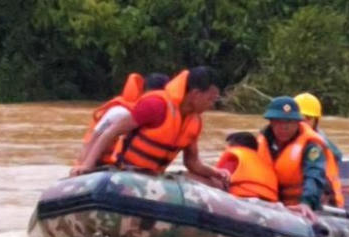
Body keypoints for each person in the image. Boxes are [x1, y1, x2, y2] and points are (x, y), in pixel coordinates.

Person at [71, 67, 229, 190]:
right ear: (196, 94)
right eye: (210, 99)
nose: (211, 105)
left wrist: (216, 173)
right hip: (126, 173)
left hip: (155, 177)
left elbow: (192, 162)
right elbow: (111, 132)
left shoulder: (194, 121)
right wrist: (87, 165)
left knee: (215, 184)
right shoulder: (156, 105)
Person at [257, 96, 344, 221]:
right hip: (277, 204)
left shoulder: (311, 146)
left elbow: (314, 174)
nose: (284, 127)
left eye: (289, 122)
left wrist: (306, 203)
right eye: (278, 121)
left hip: (313, 202)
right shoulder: (262, 142)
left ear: (298, 123)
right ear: (271, 122)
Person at [75, 72, 170, 168]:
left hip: (123, 166)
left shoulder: (160, 113)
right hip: (99, 163)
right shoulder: (120, 112)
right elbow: (94, 137)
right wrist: (84, 165)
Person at [215, 132, 278, 202]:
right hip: (269, 203)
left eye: (229, 145)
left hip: (243, 200)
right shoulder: (264, 163)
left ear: (234, 145)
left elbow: (221, 180)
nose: (227, 148)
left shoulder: (233, 158)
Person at [294, 92, 343, 162]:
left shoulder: (321, 140)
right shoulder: (283, 136)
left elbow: (338, 156)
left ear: (316, 121)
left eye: (308, 118)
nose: (303, 122)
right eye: (299, 117)